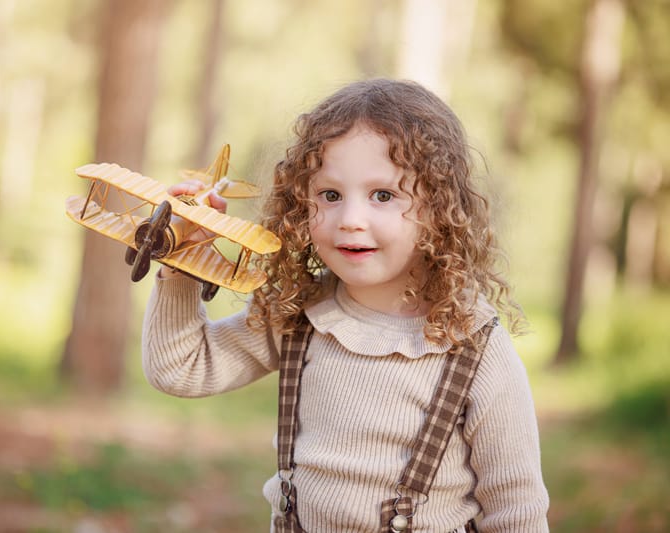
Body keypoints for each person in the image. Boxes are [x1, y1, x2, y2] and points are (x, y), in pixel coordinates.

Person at [141, 78, 549, 532]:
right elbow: (180, 368)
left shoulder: (473, 348)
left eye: (383, 195)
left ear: (439, 207)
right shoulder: (302, 312)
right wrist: (181, 260)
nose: (351, 220)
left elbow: (517, 512)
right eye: (330, 196)